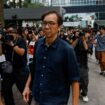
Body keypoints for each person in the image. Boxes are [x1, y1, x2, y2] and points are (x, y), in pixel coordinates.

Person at [23, 11, 80, 105]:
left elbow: (75, 80)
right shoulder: (38, 44)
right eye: (44, 23)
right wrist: (27, 86)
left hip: (56, 101)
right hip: (36, 98)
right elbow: (34, 68)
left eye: (51, 23)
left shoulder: (67, 50)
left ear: (59, 26)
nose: (46, 26)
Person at [1, 26, 29, 105]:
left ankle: (32, 102)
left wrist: (12, 44)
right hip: (9, 69)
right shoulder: (5, 41)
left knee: (23, 89)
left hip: (20, 69)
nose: (9, 34)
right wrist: (1, 42)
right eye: (7, 32)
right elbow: (1, 53)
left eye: (11, 32)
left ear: (15, 33)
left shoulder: (21, 40)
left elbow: (21, 52)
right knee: (5, 89)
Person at [72, 30, 91, 102]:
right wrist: (77, 39)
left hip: (84, 64)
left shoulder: (88, 41)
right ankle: (78, 91)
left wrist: (83, 40)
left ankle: (84, 94)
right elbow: (71, 47)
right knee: (76, 80)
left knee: (85, 80)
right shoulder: (76, 40)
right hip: (76, 63)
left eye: (85, 34)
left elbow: (87, 49)